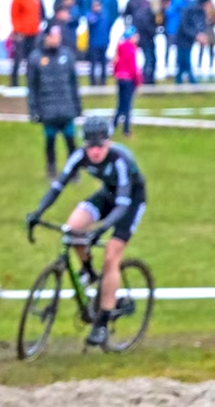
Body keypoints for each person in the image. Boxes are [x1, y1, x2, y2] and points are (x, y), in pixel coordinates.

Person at [25, 115, 147, 347]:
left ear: (108, 143)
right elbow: (57, 187)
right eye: (90, 146)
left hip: (130, 202)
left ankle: (102, 323)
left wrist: (100, 230)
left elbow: (122, 205)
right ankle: (89, 271)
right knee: (73, 228)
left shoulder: (119, 160)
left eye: (100, 145)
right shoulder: (79, 156)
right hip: (108, 195)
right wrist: (37, 213)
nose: (95, 151)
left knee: (111, 256)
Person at [27, 24, 81, 180]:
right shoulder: (36, 59)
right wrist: (34, 111)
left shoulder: (67, 56)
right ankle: (51, 170)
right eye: (54, 36)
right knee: (50, 141)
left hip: (66, 108)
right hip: (48, 110)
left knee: (71, 141)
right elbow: (32, 87)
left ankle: (74, 172)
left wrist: (77, 106)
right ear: (46, 37)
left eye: (59, 36)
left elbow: (73, 84)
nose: (57, 39)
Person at [10, 0, 43, 87]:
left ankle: (31, 82)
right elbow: (14, 17)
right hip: (21, 34)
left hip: (33, 33)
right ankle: (14, 83)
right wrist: (18, 31)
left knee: (32, 59)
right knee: (18, 59)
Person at [124, 0, 157, 84]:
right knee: (138, 58)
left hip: (146, 35)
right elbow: (126, 18)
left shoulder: (145, 2)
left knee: (150, 58)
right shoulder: (134, 2)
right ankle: (142, 78)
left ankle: (147, 78)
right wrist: (129, 32)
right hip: (139, 35)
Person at [113, 26, 140, 136]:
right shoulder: (131, 49)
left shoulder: (120, 48)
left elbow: (115, 64)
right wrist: (137, 81)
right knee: (128, 106)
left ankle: (113, 126)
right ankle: (126, 130)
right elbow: (133, 68)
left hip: (120, 78)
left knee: (120, 105)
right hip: (129, 80)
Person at [174, 0, 206, 84]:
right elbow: (185, 26)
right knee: (184, 61)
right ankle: (191, 81)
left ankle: (179, 82)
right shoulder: (190, 9)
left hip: (187, 39)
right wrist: (196, 35)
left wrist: (200, 34)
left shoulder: (195, 9)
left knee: (182, 62)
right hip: (183, 39)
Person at [84, 0, 110, 85]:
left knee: (103, 63)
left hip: (103, 42)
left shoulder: (105, 16)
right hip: (94, 43)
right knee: (93, 64)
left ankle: (103, 81)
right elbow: (91, 21)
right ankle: (93, 81)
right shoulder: (90, 15)